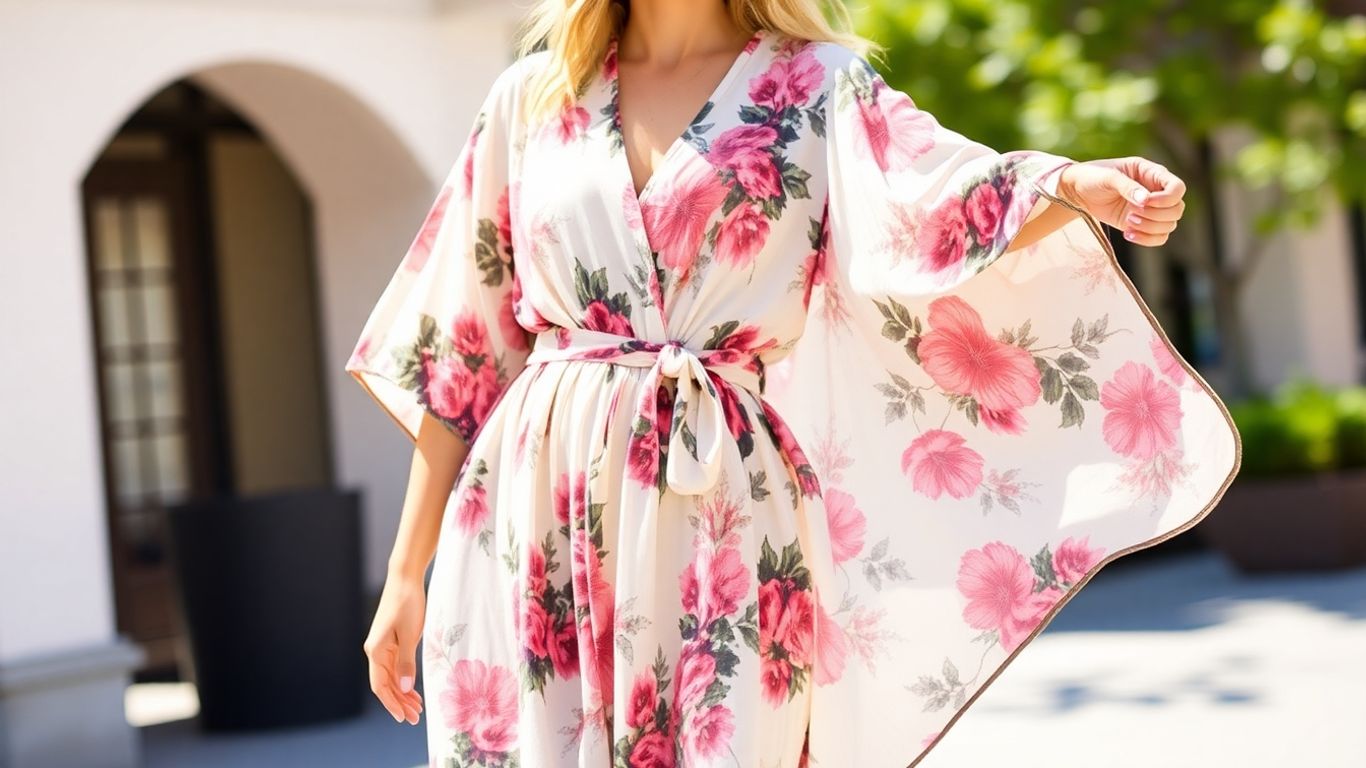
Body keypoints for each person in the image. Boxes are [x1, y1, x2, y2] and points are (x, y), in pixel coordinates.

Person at [345, 1, 1242, 766]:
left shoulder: (815, 84)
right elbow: (460, 350)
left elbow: (930, 204)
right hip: (535, 505)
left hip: (724, 496)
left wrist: (1075, 186)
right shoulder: (531, 100)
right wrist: (405, 574)